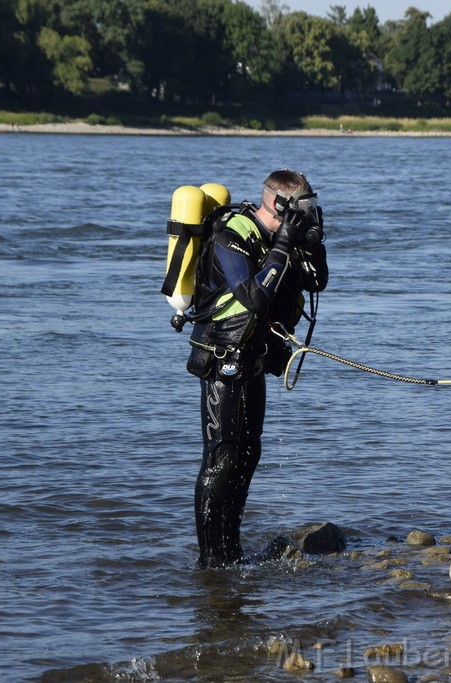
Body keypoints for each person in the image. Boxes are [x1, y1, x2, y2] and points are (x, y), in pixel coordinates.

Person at [186, 169, 328, 567]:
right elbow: (253, 297)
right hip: (222, 357)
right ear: (278, 204)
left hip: (256, 356)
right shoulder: (231, 237)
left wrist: (313, 245)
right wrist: (282, 245)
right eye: (303, 208)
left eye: (313, 207)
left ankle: (232, 549)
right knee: (223, 456)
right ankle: (211, 558)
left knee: (249, 453)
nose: (309, 214)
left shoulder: (289, 237)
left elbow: (318, 283)